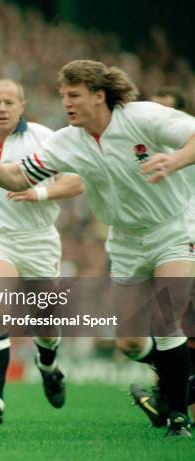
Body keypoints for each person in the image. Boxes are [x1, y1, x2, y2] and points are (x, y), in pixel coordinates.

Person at [0, 60, 195, 438]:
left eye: (73, 95)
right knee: (128, 343)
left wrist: (173, 160)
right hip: (124, 242)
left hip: (171, 231)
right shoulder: (67, 141)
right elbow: (17, 175)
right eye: (63, 96)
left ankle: (178, 417)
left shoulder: (142, 117)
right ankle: (182, 376)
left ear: (99, 95)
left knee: (166, 321)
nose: (66, 103)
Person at [0, 79, 83, 426]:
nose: (1, 108)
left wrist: (40, 194)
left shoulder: (45, 137)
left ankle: (48, 366)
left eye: (8, 102)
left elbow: (77, 181)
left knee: (45, 327)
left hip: (39, 240)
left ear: (22, 105)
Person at [129, 86, 195, 426]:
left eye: (166, 113)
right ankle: (171, 395)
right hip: (167, 244)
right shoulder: (141, 152)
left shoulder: (186, 150)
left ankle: (170, 400)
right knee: (167, 328)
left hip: (185, 242)